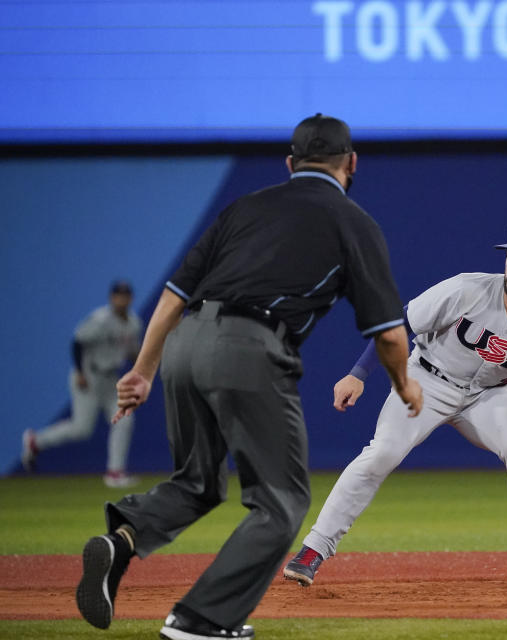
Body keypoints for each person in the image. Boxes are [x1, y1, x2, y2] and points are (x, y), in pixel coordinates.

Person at [74, 113, 423, 640]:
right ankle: (199, 620)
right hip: (251, 348)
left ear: (290, 163)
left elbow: (173, 297)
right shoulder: (353, 222)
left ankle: (122, 540)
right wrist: (404, 384)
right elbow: (391, 335)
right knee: (282, 502)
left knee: (196, 483)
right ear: (352, 163)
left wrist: (143, 371)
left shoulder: (243, 208)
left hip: (185, 343)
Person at [283, 220, 507, 595]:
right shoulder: (467, 289)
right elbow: (400, 322)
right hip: (426, 379)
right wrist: (359, 373)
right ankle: (313, 550)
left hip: (489, 395)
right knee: (382, 452)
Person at [21, 280, 142, 488]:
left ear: (130, 298)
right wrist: (79, 372)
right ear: (112, 298)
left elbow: (132, 352)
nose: (121, 299)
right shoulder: (100, 319)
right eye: (118, 295)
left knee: (125, 418)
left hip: (111, 377)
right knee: (81, 429)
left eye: (125, 295)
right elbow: (78, 341)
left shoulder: (134, 323)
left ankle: (115, 472)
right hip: (89, 375)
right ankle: (35, 441)